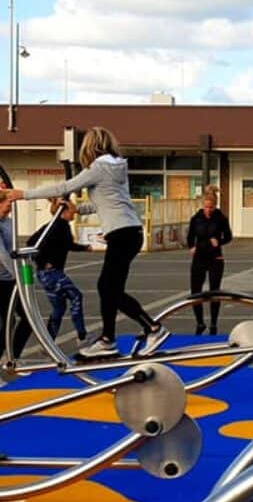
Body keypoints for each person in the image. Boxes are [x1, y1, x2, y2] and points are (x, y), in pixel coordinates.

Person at [7, 127, 168, 359]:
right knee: (110, 288)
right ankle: (110, 338)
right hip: (130, 231)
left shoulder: (98, 168)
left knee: (108, 288)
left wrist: (24, 194)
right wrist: (78, 210)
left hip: (121, 234)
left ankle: (149, 329)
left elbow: (64, 188)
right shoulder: (117, 167)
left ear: (89, 148)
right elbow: (107, 203)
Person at [27, 198, 92, 341]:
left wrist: (84, 247)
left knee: (59, 308)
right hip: (51, 273)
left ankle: (49, 340)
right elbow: (32, 243)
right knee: (76, 297)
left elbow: (66, 244)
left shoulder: (57, 226)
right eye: (72, 210)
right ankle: (82, 335)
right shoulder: (58, 226)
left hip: (49, 273)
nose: (74, 213)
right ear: (64, 211)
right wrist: (42, 261)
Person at [187, 185, 233, 335]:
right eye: (206, 207)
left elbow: (228, 236)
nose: (208, 210)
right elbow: (190, 236)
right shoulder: (196, 218)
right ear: (202, 205)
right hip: (199, 257)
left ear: (215, 205)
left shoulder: (221, 218)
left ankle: (213, 323)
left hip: (215, 258)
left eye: (211, 207)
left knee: (214, 291)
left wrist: (219, 242)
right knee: (196, 291)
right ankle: (200, 322)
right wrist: (191, 247)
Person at [0, 189, 32, 364]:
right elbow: (3, 255)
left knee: (28, 319)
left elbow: (13, 250)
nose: (10, 206)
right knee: (8, 322)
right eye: (7, 203)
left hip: (11, 280)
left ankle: (13, 357)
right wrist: (17, 276)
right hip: (4, 280)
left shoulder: (9, 222)